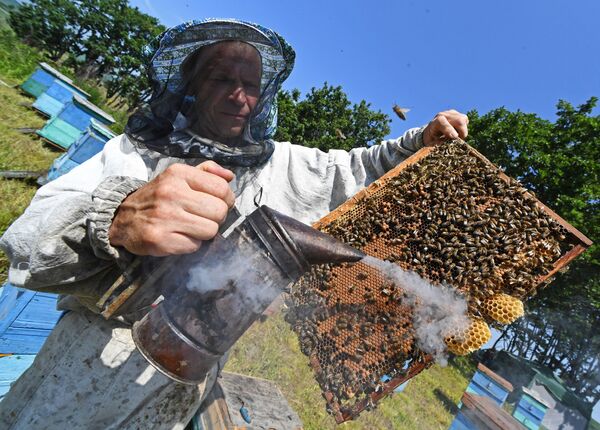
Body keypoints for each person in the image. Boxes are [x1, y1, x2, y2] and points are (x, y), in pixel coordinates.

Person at [0, 18, 468, 429]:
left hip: (188, 383)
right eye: (221, 78)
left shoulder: (280, 165)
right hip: (86, 366)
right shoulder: (132, 154)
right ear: (191, 86)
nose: (239, 95)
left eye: (251, 85)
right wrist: (116, 219)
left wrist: (417, 141)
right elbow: (24, 240)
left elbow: (355, 169)